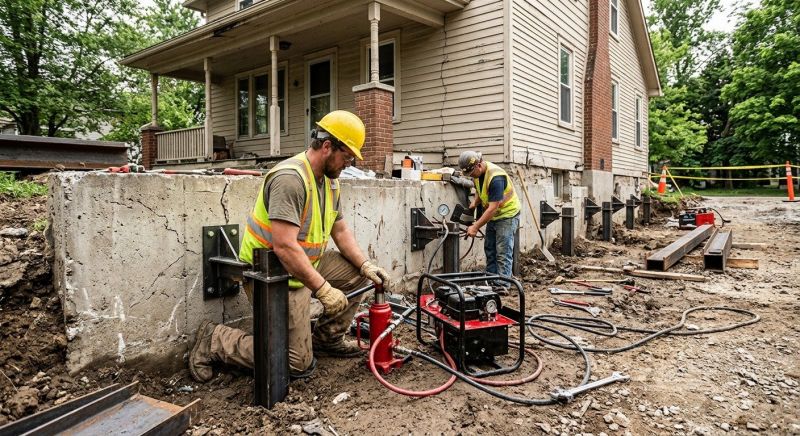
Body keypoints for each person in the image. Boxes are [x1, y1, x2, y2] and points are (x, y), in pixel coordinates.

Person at [189, 110, 391, 382]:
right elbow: (284, 248)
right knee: (296, 363)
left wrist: (365, 264)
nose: (348, 163)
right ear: (328, 147)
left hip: (305, 265)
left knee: (357, 275)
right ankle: (215, 340)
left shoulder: (330, 182)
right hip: (271, 271)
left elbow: (340, 229)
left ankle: (326, 339)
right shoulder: (290, 179)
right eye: (347, 156)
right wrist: (323, 289)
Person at [458, 151, 521, 281]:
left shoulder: (496, 178)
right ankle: (493, 280)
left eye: (471, 173)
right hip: (494, 215)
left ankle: (503, 284)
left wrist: (475, 227)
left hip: (507, 214)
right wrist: (474, 204)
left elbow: (493, 208)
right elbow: (480, 190)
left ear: (479, 166)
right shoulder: (477, 175)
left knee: (503, 252)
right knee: (490, 250)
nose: (471, 176)